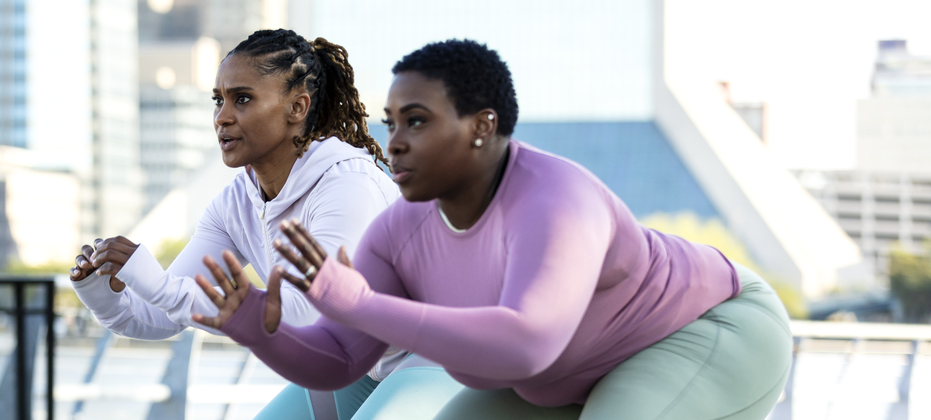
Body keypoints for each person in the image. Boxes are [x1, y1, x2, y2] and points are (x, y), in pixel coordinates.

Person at [194, 39, 792, 419]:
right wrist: (257, 330)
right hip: (560, 375)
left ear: (482, 126)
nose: (395, 142)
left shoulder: (557, 200)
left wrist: (362, 303)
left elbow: (525, 340)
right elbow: (340, 359)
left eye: (419, 122)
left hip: (698, 334)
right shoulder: (402, 229)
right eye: (392, 122)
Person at [68, 29, 464, 419]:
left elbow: (311, 315)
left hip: (436, 354)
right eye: (218, 100)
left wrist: (156, 282)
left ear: (297, 108)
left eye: (242, 99)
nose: (222, 118)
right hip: (358, 360)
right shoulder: (236, 203)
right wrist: (101, 289)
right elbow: (158, 316)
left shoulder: (348, 186)